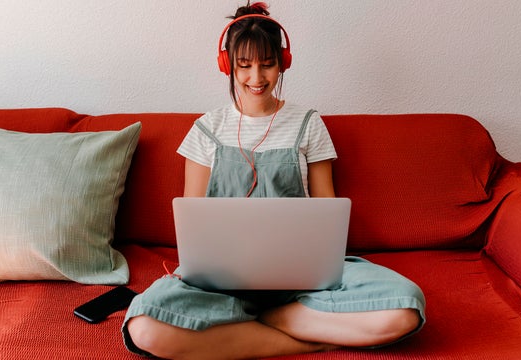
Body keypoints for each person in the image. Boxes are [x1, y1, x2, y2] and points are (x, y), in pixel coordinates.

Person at [122, 2, 426, 359]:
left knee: (406, 310)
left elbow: (326, 211)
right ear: (227, 65)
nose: (257, 78)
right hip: (221, 281)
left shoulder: (308, 123)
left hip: (303, 278)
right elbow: (192, 223)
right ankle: (304, 334)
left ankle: (263, 320)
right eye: (244, 65)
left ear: (283, 62)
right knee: (144, 328)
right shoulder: (206, 130)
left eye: (267, 64)